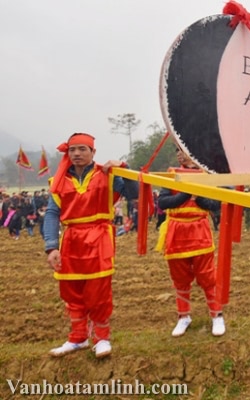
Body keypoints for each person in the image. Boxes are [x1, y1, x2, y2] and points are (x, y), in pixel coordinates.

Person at [43, 132, 138, 358]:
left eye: (82, 149)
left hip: (99, 237)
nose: (76, 153)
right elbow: (52, 213)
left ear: (93, 152)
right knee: (71, 290)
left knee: (98, 290)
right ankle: (78, 338)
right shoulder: (58, 180)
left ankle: (102, 338)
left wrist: (124, 166)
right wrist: (51, 246)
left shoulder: (108, 174)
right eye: (72, 150)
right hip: (71, 239)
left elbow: (134, 193)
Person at [156, 147, 225, 338]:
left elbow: (215, 204)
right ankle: (183, 316)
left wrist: (199, 197)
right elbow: (162, 203)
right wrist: (185, 194)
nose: (179, 153)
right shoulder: (172, 174)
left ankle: (217, 315)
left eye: (183, 149)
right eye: (176, 150)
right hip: (176, 232)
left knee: (208, 277)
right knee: (180, 278)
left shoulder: (207, 174)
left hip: (199, 230)